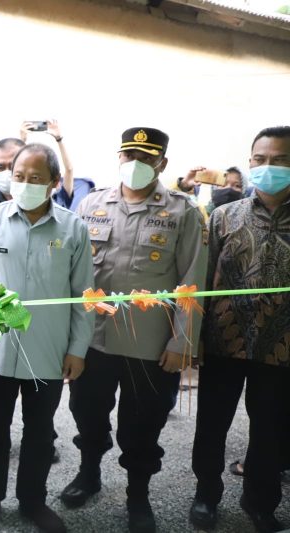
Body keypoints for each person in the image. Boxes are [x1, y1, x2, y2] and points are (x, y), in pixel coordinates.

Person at [61, 127, 208, 533]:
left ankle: (138, 494)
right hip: (94, 340)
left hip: (152, 343)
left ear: (162, 164)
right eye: (129, 156)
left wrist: (183, 342)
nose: (136, 165)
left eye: (146, 159)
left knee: (143, 424)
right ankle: (88, 473)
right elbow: (73, 276)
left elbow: (194, 281)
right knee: (87, 414)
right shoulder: (91, 203)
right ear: (119, 158)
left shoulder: (184, 211)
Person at [0, 143, 93, 533]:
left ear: (54, 182)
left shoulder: (73, 228)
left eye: (35, 179)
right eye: (19, 177)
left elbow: (83, 295)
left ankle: (33, 501)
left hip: (49, 352)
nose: (25, 184)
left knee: (39, 432)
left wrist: (77, 349)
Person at [189, 126, 290, 533]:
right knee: (211, 425)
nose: (268, 167)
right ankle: (205, 496)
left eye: (279, 160)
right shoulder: (223, 217)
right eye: (260, 159)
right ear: (249, 162)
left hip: (282, 349)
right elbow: (201, 283)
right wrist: (193, 339)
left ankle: (261, 502)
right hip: (222, 343)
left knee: (272, 431)